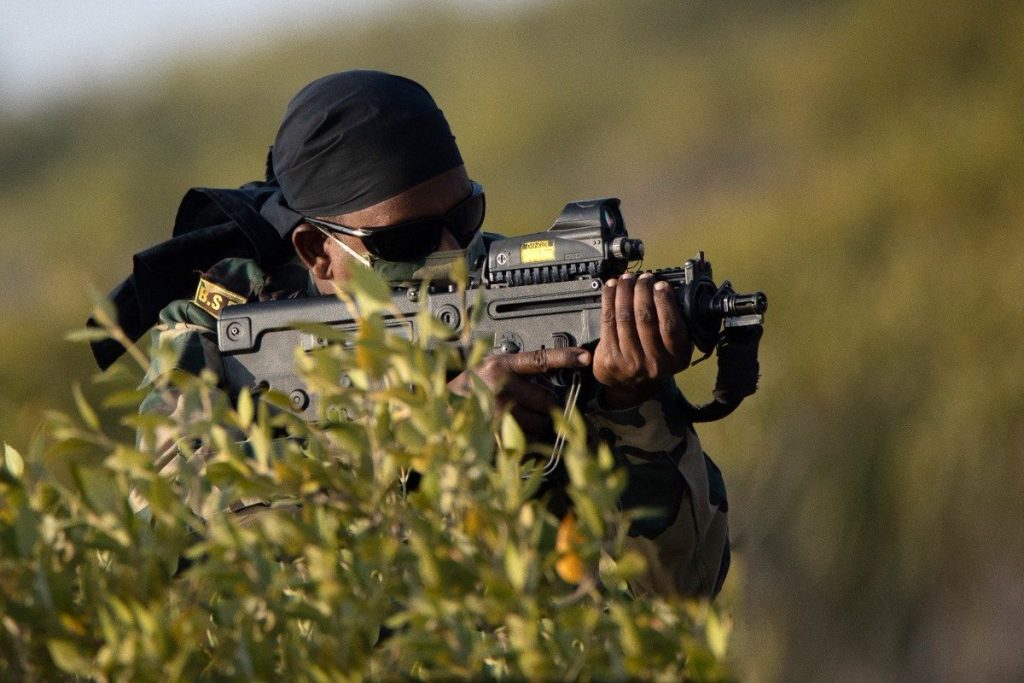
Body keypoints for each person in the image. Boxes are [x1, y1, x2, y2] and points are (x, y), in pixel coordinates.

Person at [115, 70, 741, 598]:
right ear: (319, 253)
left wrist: (630, 410)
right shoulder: (222, 327)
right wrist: (426, 445)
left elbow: (683, 593)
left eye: (463, 216)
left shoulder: (521, 294)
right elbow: (163, 541)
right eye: (406, 242)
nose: (452, 254)